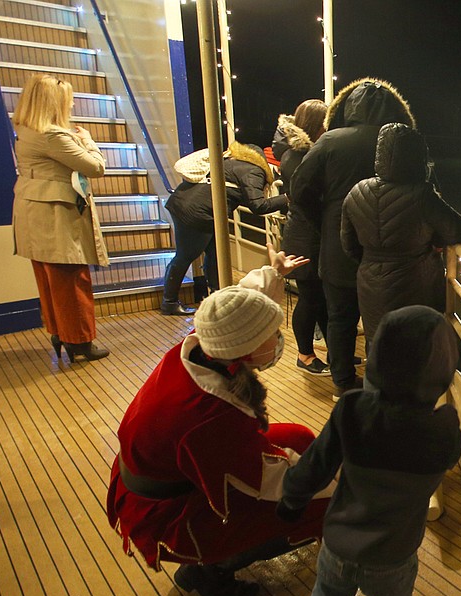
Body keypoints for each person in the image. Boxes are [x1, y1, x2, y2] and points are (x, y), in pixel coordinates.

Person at [106, 254, 334, 596]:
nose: (276, 339)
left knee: (300, 439)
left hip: (166, 475)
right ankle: (209, 568)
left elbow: (237, 307)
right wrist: (346, 484)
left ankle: (208, 562)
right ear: (243, 350)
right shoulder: (206, 415)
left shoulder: (206, 345)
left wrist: (273, 274)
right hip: (167, 514)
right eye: (270, 335)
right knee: (323, 501)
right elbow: (266, 481)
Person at [276, 305, 461, 596]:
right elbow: (448, 453)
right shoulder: (442, 433)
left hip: (340, 543)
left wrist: (292, 501)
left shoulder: (352, 410)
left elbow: (313, 467)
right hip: (393, 554)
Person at [291, 77, 415, 397]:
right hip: (389, 249)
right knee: (383, 321)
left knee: (339, 317)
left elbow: (300, 189)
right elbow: (424, 189)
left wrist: (323, 221)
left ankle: (342, 383)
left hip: (336, 246)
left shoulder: (330, 141)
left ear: (348, 107)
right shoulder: (403, 141)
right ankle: (380, 385)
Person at [11, 73, 111, 362]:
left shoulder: (25, 129)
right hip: (56, 214)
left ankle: (59, 332)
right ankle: (79, 342)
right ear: (53, 103)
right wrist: (89, 141)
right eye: (67, 100)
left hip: (32, 210)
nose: (72, 104)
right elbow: (95, 167)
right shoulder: (52, 136)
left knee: (48, 278)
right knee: (71, 278)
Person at [342, 123, 461, 349]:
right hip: (414, 286)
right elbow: (460, 231)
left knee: (379, 345)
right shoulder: (421, 194)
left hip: (369, 284)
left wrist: (374, 260)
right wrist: (436, 243)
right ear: (416, 156)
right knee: (414, 348)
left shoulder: (357, 191)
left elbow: (349, 245)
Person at [160, 141, 288, 315]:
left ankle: (216, 295)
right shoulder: (254, 171)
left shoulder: (236, 161)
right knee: (185, 256)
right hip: (197, 212)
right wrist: (288, 197)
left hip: (189, 204)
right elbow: (258, 206)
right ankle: (169, 303)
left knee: (215, 255)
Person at [274, 99, 332, 375]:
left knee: (318, 297)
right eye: (325, 123)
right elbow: (307, 199)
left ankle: (332, 351)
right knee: (309, 298)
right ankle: (305, 355)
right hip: (305, 237)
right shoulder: (298, 157)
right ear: (315, 125)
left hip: (305, 234)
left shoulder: (296, 154)